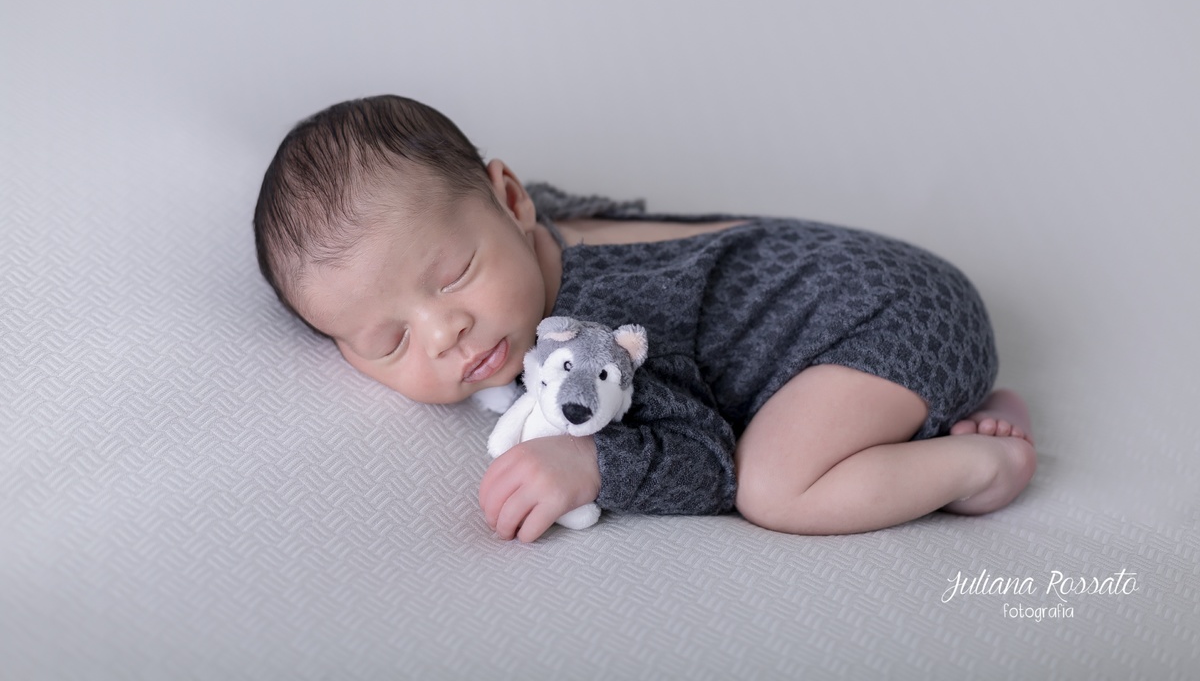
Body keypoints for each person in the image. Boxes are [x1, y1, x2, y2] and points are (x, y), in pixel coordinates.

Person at [253, 94, 1036, 543]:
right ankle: (942, 414)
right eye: (387, 342)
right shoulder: (537, 235)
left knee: (774, 486)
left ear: (513, 200)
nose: (443, 334)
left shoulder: (613, 329)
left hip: (894, 318)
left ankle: (979, 467)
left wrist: (594, 465)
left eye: (454, 274)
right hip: (878, 284)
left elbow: (712, 459)